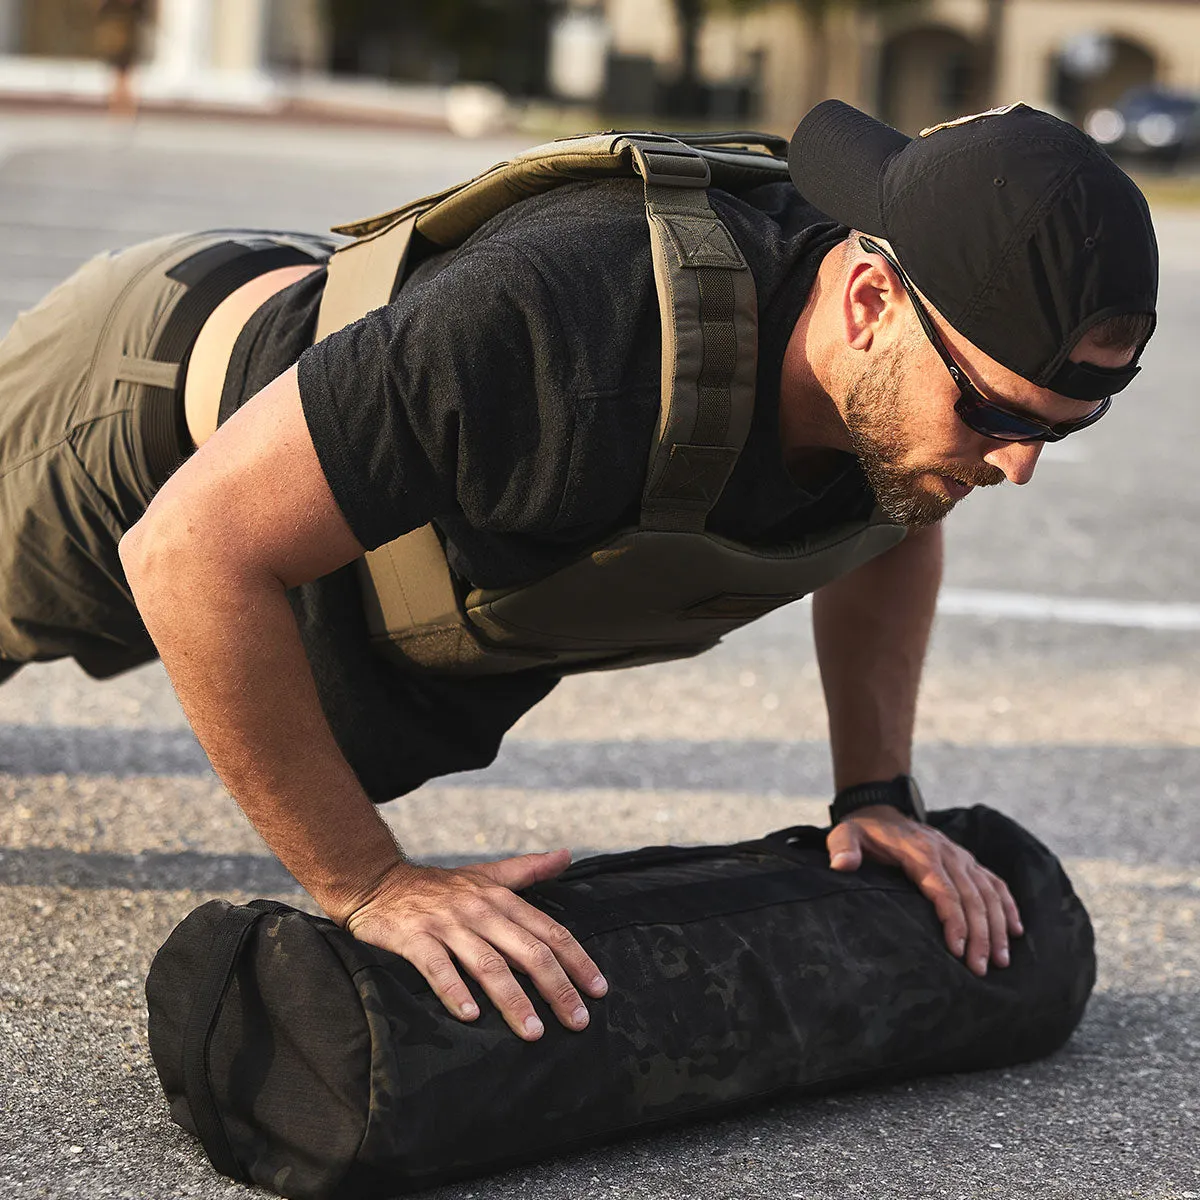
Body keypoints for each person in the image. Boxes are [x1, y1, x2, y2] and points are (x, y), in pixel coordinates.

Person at [0, 102, 1157, 1044]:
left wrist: (876, 795)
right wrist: (367, 883)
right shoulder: (574, 331)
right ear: (867, 303)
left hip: (368, 455)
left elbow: (890, 518)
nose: (1017, 467)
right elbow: (189, 549)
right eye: (996, 413)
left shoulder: (898, 392)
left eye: (1058, 430)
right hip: (136, 411)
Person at [94, 0, 151, 118]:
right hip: (117, 41)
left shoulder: (133, 10)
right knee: (119, 76)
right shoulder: (112, 9)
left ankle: (125, 110)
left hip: (128, 42)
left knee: (125, 76)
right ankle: (118, 110)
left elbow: (143, 16)